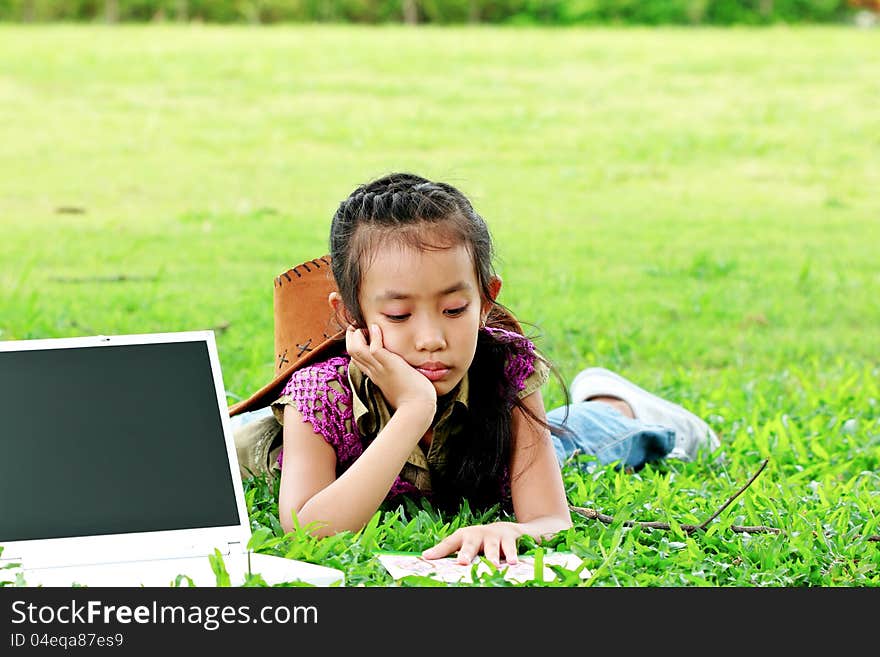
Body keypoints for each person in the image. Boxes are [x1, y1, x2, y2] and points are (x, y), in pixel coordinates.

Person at [229, 172, 720, 567]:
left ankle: (618, 403)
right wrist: (414, 410)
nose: (431, 339)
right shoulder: (318, 395)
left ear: (486, 301)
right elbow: (308, 529)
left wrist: (515, 528)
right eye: (398, 316)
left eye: (455, 309)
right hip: (276, 444)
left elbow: (551, 516)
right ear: (349, 315)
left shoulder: (502, 368)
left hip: (487, 458)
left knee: (583, 442)